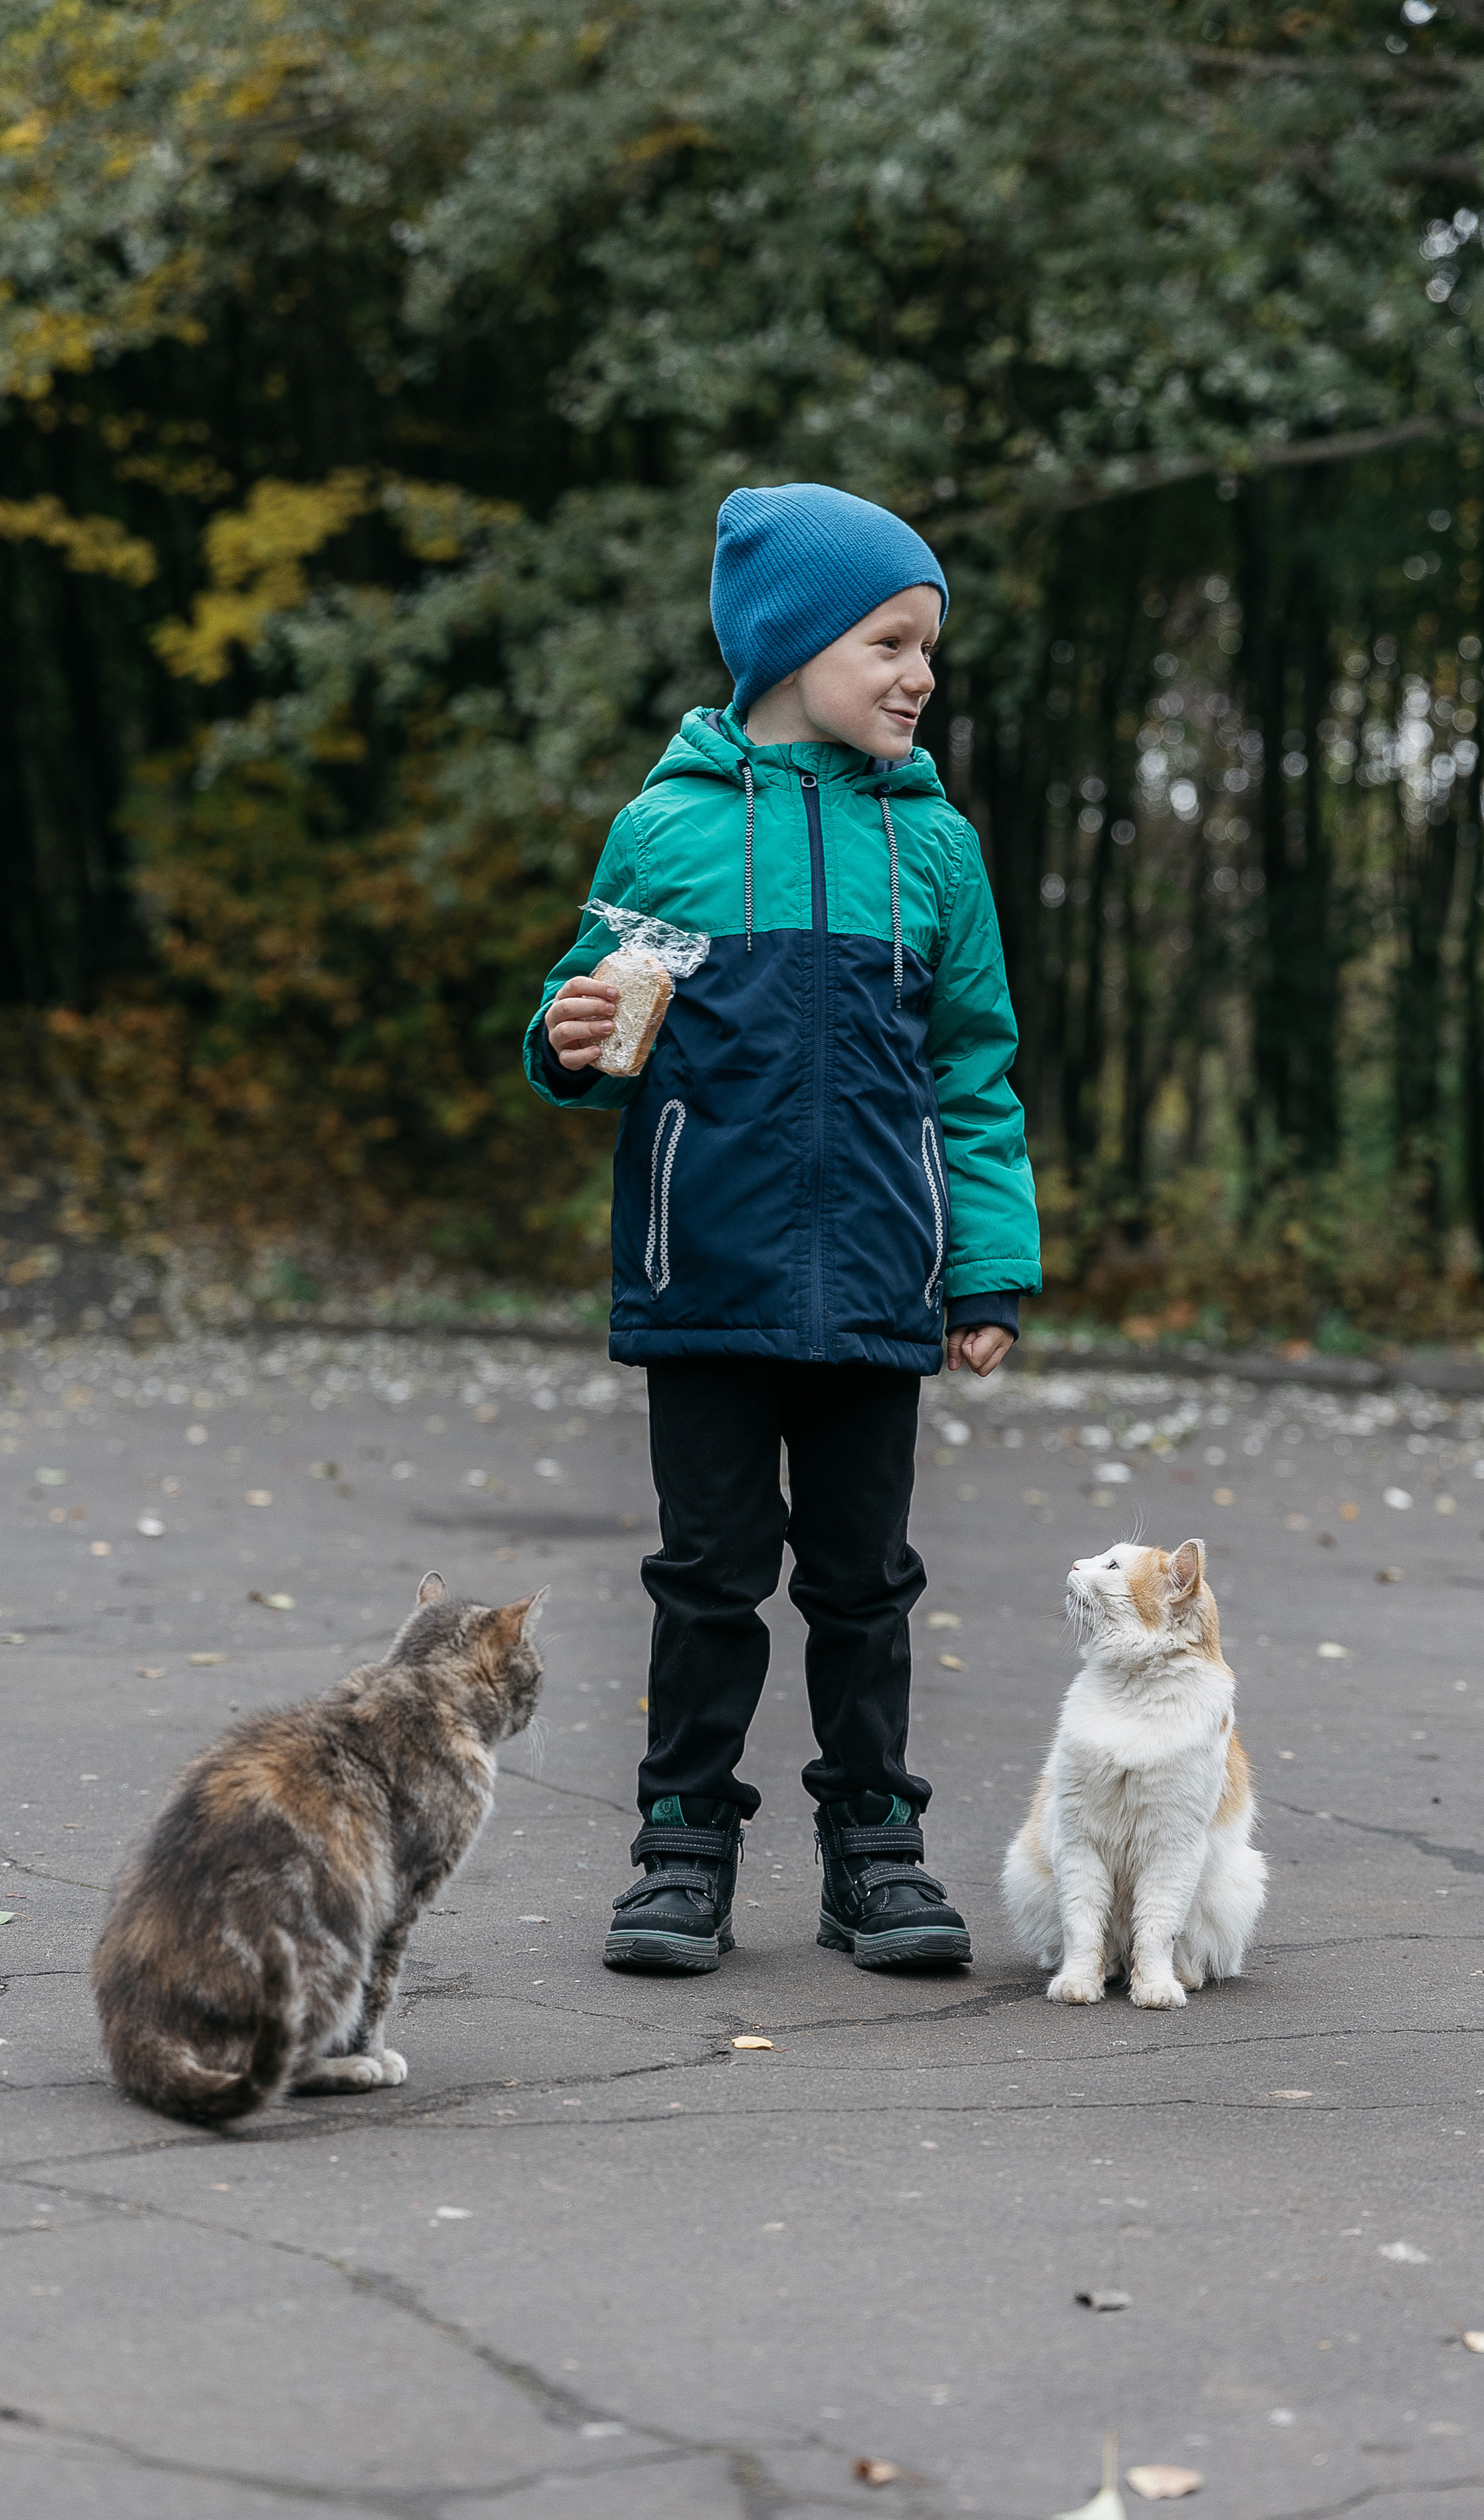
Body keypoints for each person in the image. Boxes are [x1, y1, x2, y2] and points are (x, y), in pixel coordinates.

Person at [524, 482, 1041, 1977]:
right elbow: (582, 1020)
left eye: (925, 648)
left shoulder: (933, 851)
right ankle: (680, 1846)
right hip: (708, 1277)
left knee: (865, 1583)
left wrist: (986, 1263)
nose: (917, 675)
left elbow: (973, 1071)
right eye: (889, 641)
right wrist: (559, 1042)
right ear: (791, 646)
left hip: (881, 1280)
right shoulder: (664, 826)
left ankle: (873, 1851)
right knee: (706, 1575)